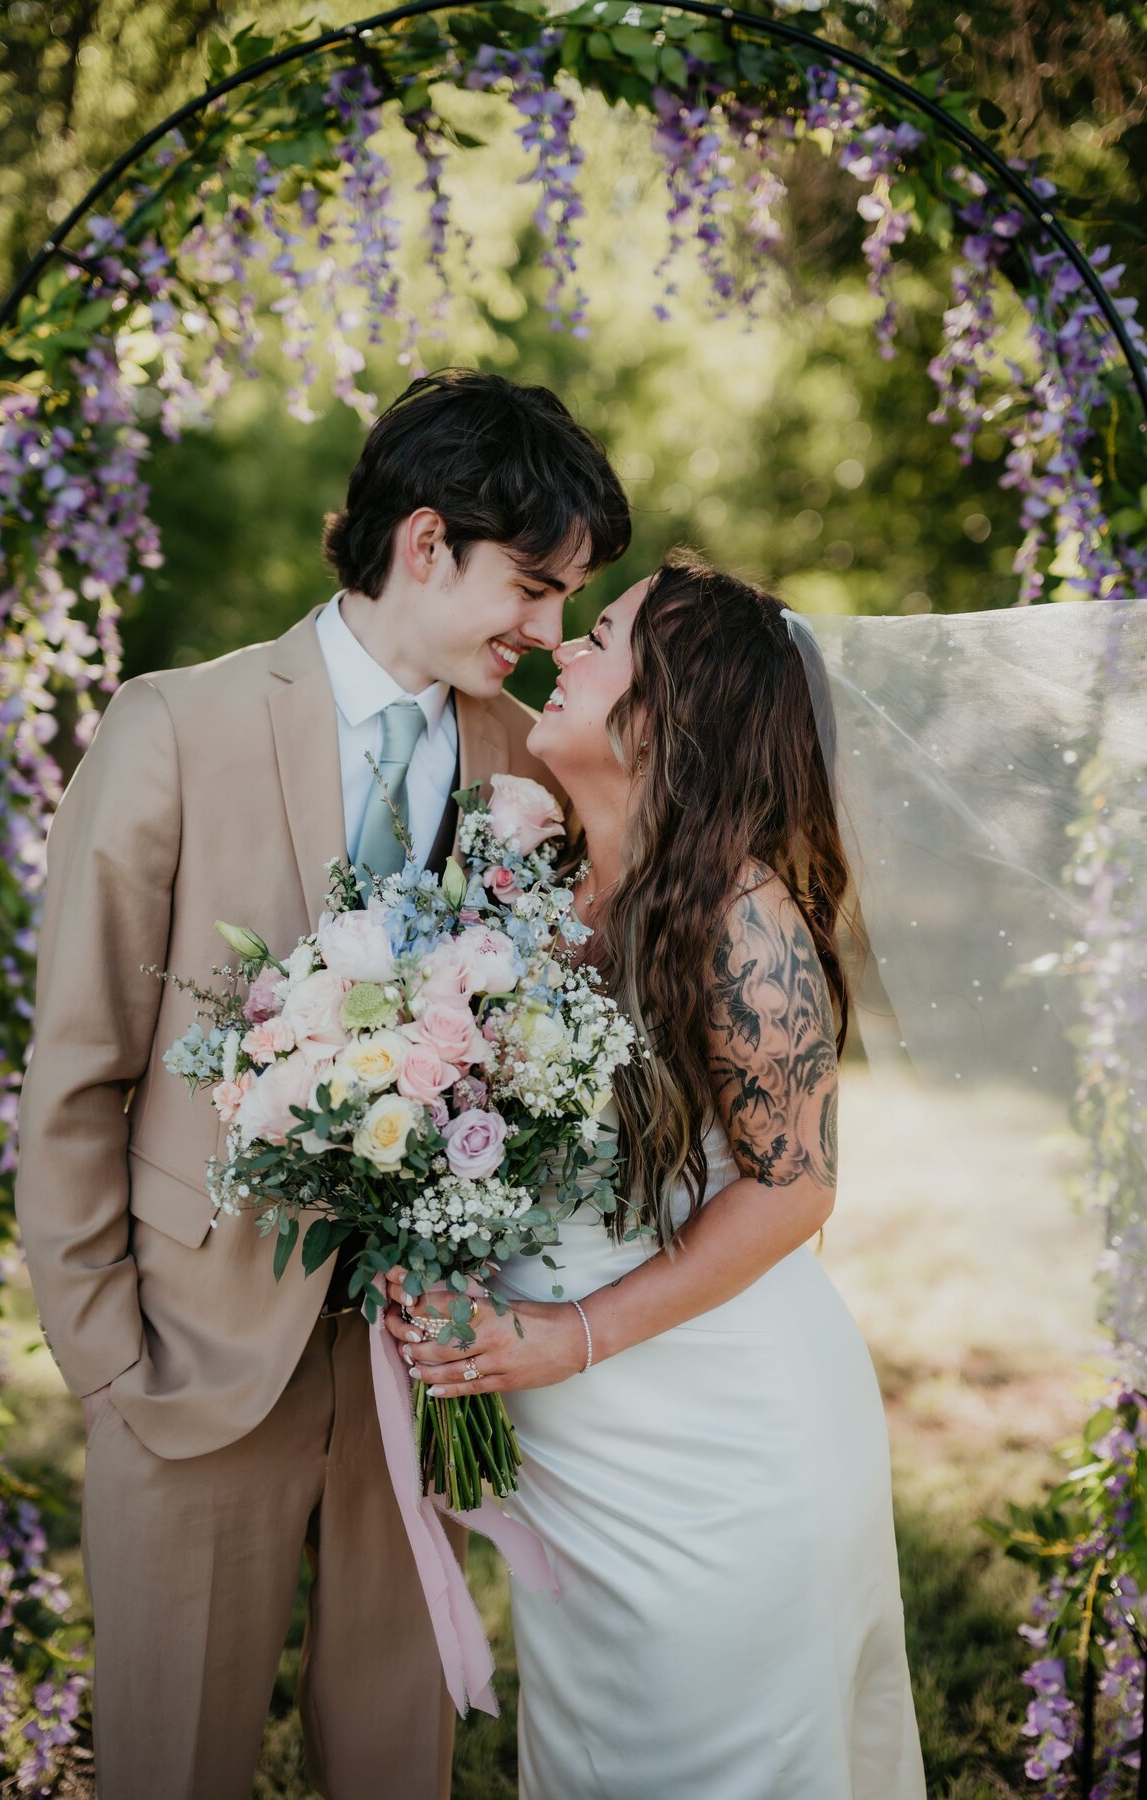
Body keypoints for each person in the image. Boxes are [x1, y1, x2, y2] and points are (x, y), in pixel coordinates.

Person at [14, 367, 631, 1800]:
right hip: (186, 1360)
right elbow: (77, 1069)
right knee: (172, 1766)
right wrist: (108, 1356)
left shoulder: (515, 766)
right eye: (533, 588)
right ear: (427, 543)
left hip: (418, 1375)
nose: (548, 634)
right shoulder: (172, 726)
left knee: (395, 1766)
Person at [386, 552, 927, 1798]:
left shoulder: (741, 919)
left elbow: (795, 1190)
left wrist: (564, 1335)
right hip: (576, 1463)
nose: (566, 647)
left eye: (607, 633)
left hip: (722, 1452)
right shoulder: (527, 887)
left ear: (671, 705)